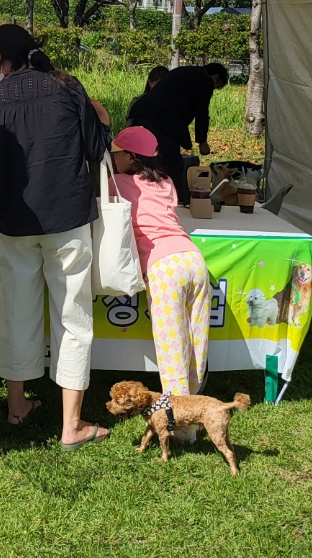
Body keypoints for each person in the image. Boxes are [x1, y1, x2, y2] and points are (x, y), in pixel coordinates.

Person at [0, 24, 111, 448]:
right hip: (68, 217)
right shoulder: (67, 86)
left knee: (16, 313)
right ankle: (71, 424)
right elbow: (96, 149)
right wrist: (103, 120)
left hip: (15, 221)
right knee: (74, 317)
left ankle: (17, 406)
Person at [109, 126, 210, 440]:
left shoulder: (117, 184)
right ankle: (195, 412)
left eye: (116, 153)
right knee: (196, 345)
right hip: (194, 260)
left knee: (172, 352)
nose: (112, 158)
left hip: (164, 267)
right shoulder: (166, 182)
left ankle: (182, 428)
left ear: (131, 157)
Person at [124, 62, 229, 204]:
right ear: (215, 77)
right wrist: (202, 141)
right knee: (172, 163)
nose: (213, 89)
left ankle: (136, 192)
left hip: (143, 113)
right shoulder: (204, 80)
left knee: (138, 158)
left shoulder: (186, 71)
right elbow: (202, 113)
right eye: (216, 87)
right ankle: (175, 200)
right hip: (160, 119)